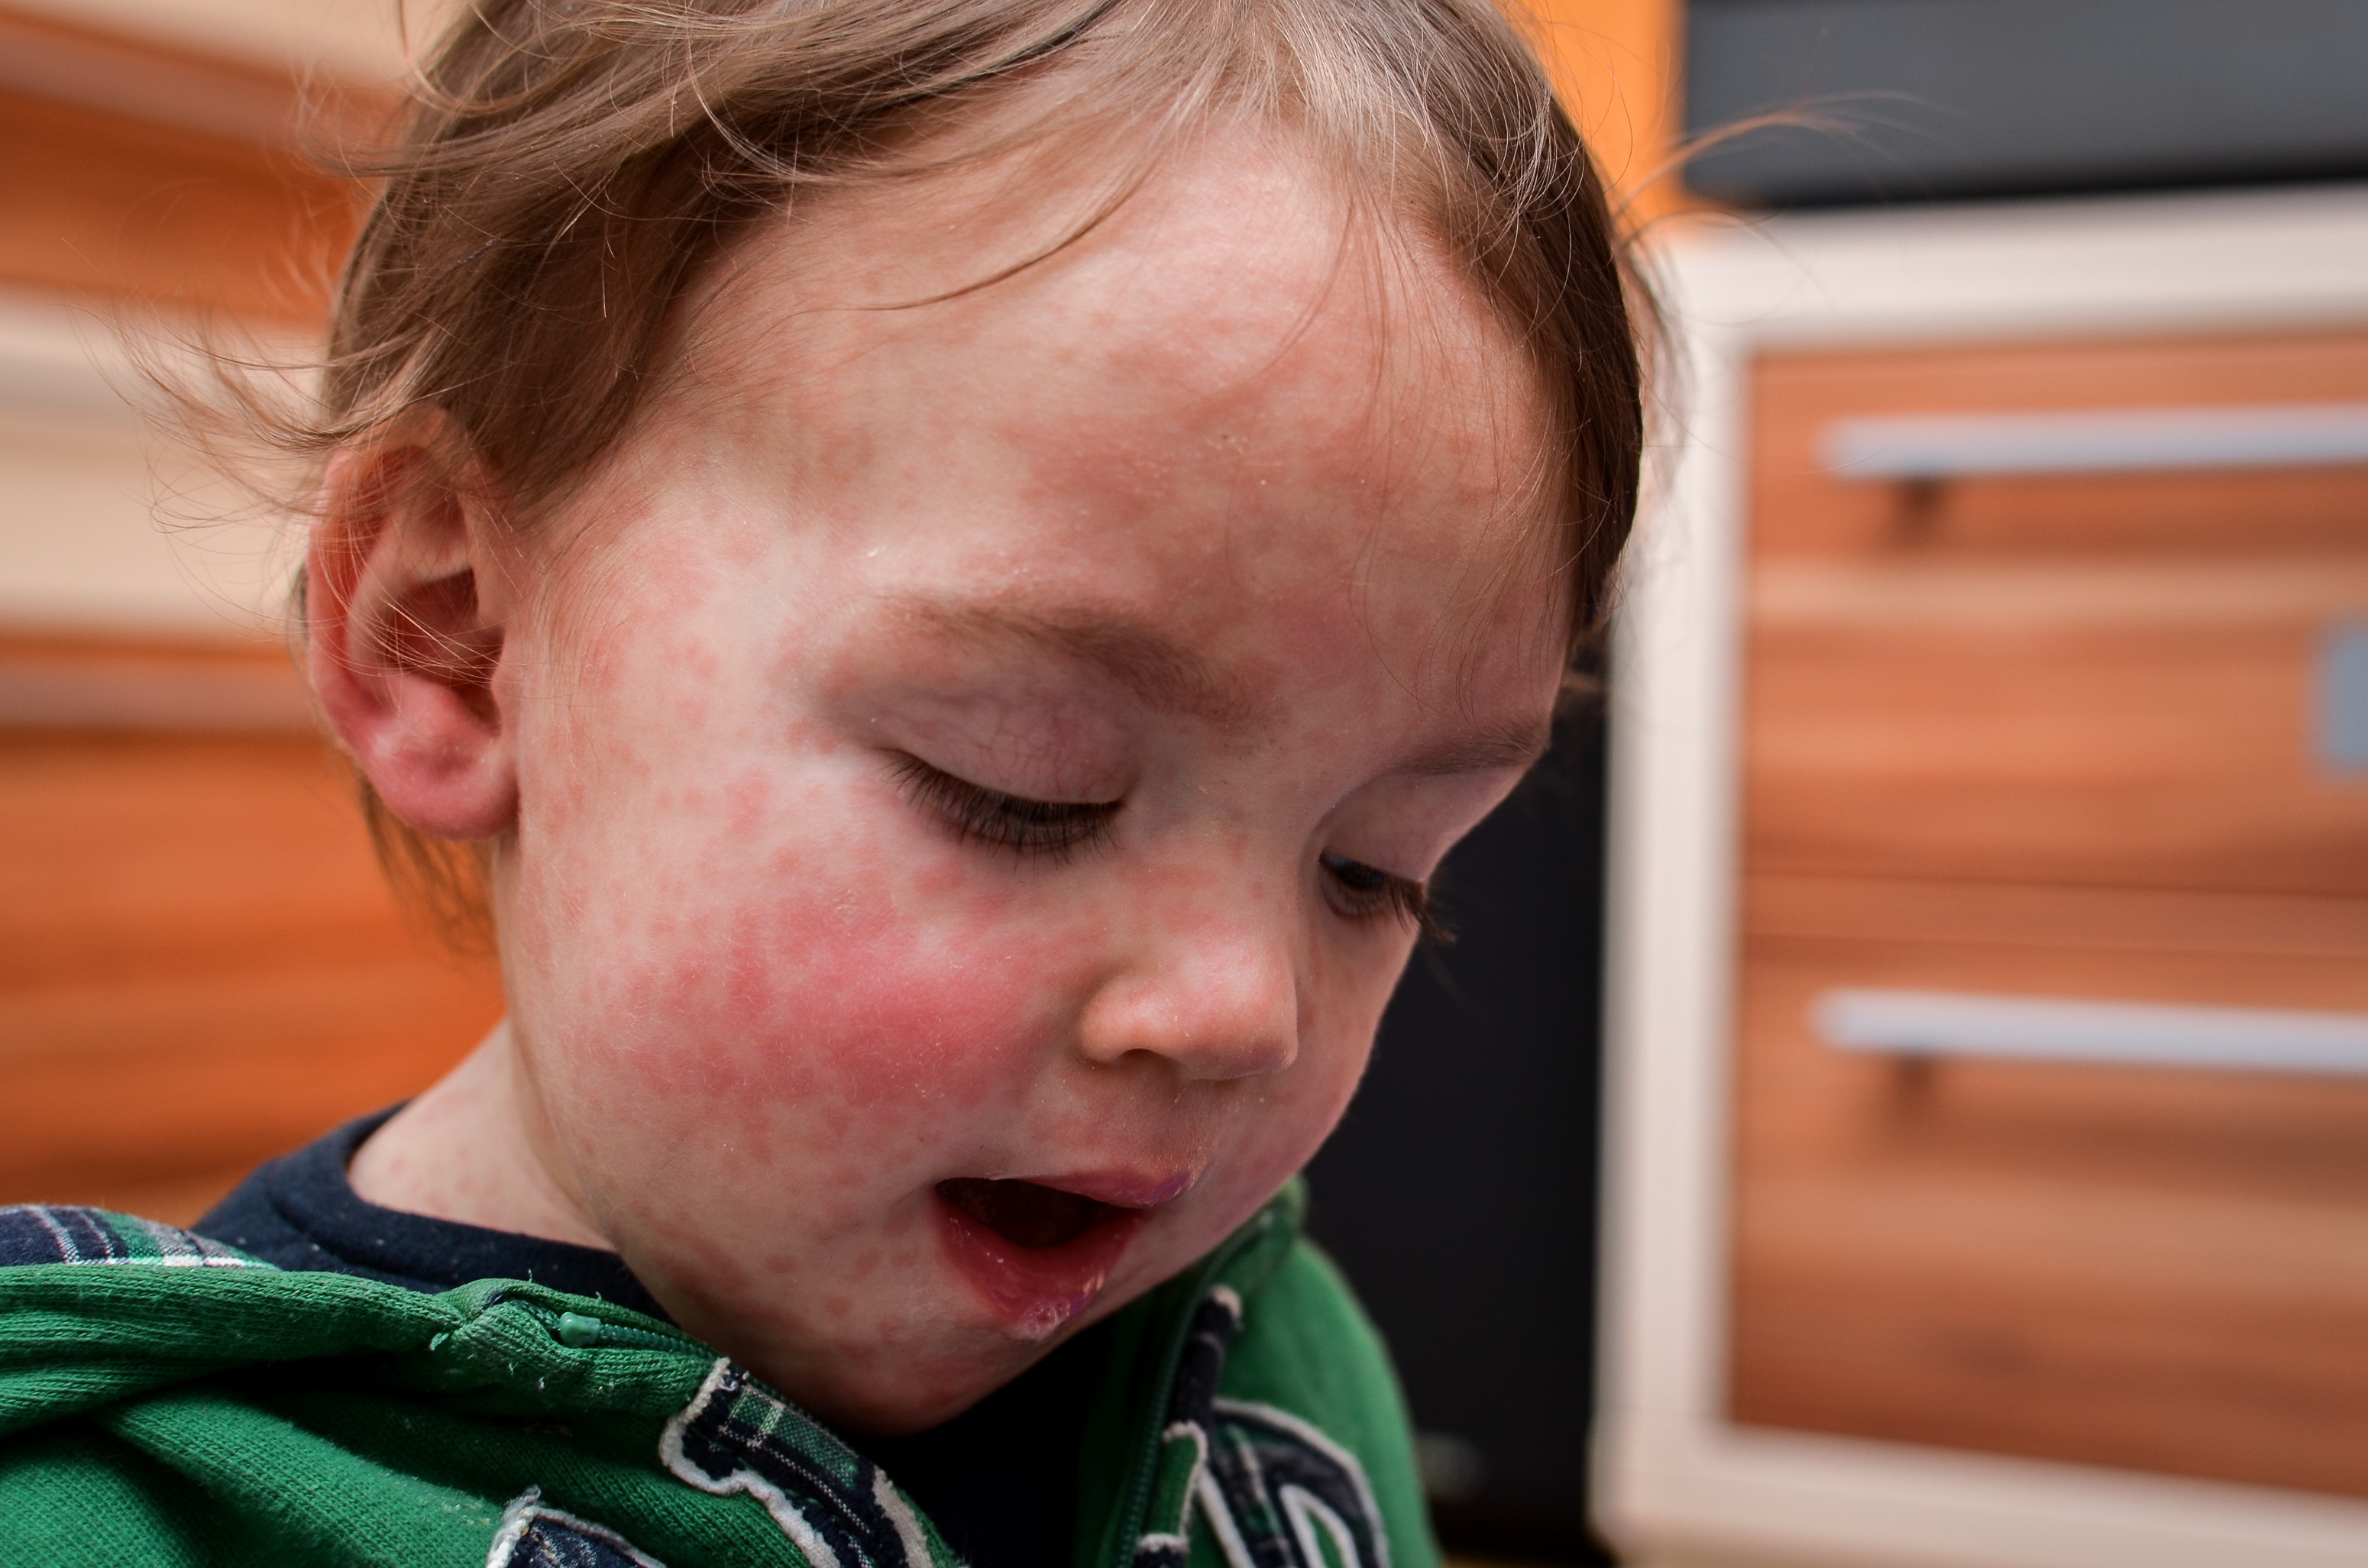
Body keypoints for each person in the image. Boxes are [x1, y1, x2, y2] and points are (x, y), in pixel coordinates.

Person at [0, 2, 1645, 1563]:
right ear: (453, 640)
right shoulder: (126, 1513)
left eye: (1373, 863)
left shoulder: (1278, 1356)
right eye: (1021, 788)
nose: (1241, 1012)